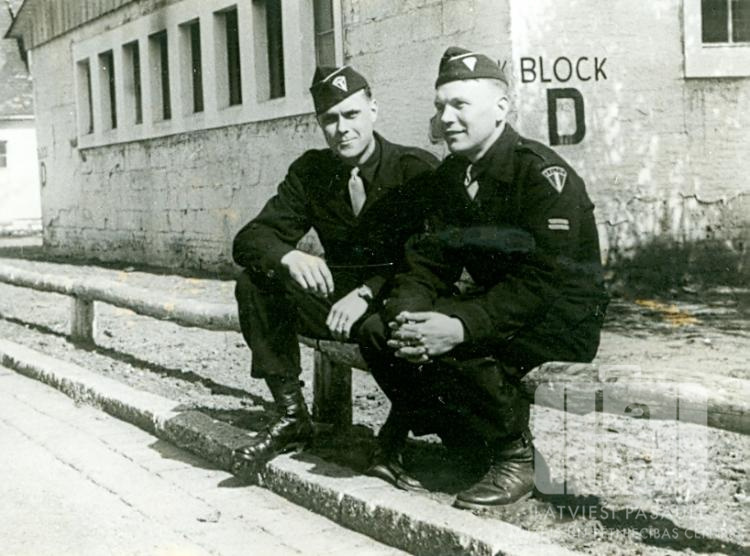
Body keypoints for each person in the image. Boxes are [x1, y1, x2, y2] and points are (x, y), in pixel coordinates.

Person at [358, 46, 608, 508]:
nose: (446, 118)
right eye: (440, 106)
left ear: (500, 108)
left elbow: (544, 281)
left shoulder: (541, 174)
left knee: (459, 345)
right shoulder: (453, 176)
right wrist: (407, 316)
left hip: (560, 319)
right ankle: (467, 443)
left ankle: (515, 457)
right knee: (378, 331)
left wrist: (461, 325)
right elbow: (426, 260)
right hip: (500, 306)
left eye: (460, 105)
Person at [231, 65, 438, 472]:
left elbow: (427, 256)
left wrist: (368, 291)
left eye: (352, 114)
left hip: (396, 296)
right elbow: (250, 238)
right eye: (330, 119)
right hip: (337, 303)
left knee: (391, 325)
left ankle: (394, 437)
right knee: (254, 282)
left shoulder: (414, 169)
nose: (342, 129)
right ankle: (292, 417)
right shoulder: (312, 172)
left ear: (373, 111)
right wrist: (288, 256)